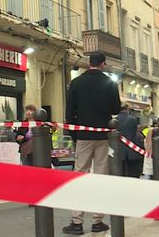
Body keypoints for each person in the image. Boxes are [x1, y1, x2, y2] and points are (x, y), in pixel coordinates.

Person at [62, 51, 121, 235]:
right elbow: (116, 109)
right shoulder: (109, 82)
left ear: (89, 63)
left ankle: (77, 221)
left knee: (79, 176)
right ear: (103, 64)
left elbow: (69, 112)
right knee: (100, 177)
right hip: (102, 136)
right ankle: (97, 220)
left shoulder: (77, 82)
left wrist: (74, 134)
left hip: (83, 136)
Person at [117, 105, 143, 178]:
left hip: (119, 151)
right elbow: (137, 131)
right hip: (132, 150)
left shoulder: (115, 120)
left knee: (121, 173)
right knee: (133, 173)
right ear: (127, 110)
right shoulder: (133, 119)